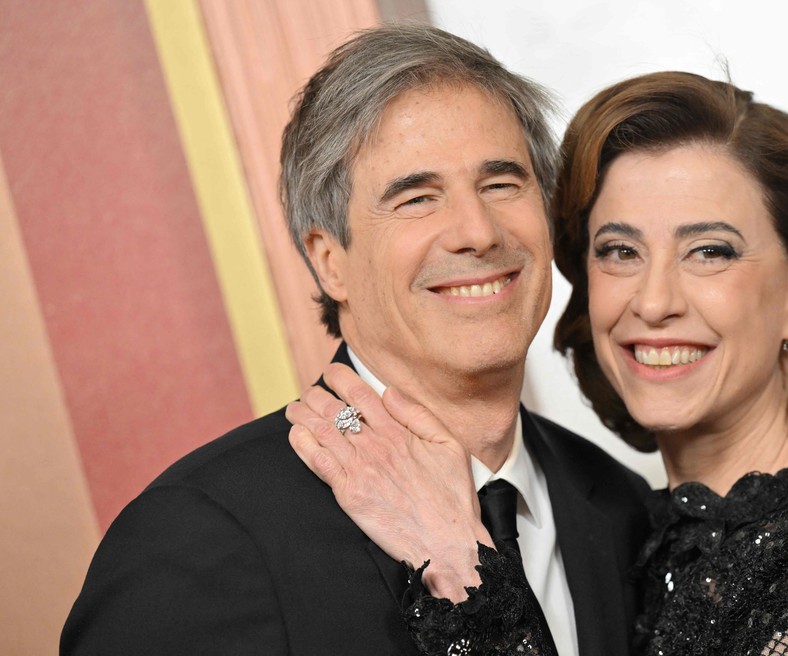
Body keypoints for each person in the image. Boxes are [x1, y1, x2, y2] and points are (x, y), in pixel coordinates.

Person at [287, 72, 788, 654]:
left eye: (710, 251)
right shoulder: (640, 529)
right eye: (619, 251)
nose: (654, 302)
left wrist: (460, 566)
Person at [60, 24, 650, 655]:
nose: (477, 231)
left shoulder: (623, 507)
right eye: (416, 198)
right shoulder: (200, 536)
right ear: (328, 260)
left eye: (501, 184)